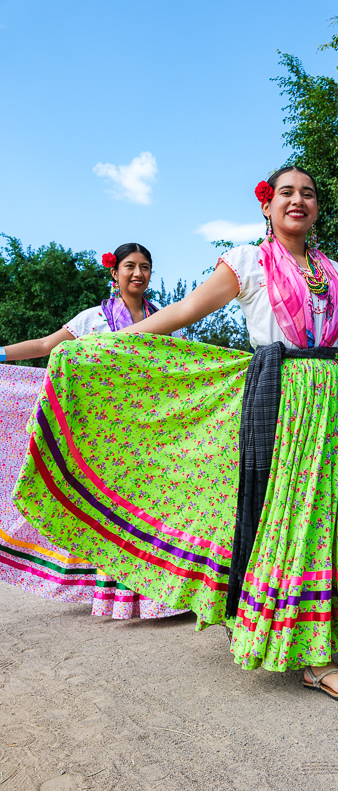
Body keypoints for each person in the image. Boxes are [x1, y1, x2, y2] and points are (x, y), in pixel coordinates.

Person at [13, 169, 338, 703]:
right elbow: (184, 313)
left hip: (334, 401)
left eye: (307, 193)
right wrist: (110, 345)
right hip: (277, 395)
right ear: (267, 205)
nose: (297, 201)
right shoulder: (247, 262)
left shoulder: (336, 274)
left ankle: (319, 648)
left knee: (332, 522)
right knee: (282, 517)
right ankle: (302, 649)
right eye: (286, 193)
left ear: (316, 207)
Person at [0, 243, 186, 619]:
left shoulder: (166, 320)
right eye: (130, 266)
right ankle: (113, 594)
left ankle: (155, 597)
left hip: (150, 428)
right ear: (114, 273)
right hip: (103, 431)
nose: (138, 273)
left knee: (149, 508)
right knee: (111, 511)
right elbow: (44, 345)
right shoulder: (93, 320)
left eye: (145, 267)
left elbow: (182, 371)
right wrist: (0, 353)